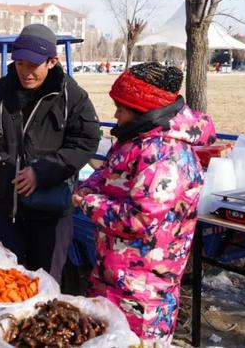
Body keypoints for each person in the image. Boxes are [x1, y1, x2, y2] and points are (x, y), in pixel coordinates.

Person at [72, 62, 216, 343]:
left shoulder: (166, 157)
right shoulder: (138, 141)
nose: (115, 114)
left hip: (143, 294)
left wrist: (87, 201)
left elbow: (139, 220)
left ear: (143, 110)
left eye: (120, 108)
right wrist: (88, 186)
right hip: (115, 276)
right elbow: (109, 174)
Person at [0, 24, 100, 273]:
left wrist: (41, 173)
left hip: (49, 212)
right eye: (20, 63)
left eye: (33, 65)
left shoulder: (72, 97)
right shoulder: (2, 89)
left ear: (52, 61)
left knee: (47, 284)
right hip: (4, 209)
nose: (25, 72)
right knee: (6, 280)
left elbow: (85, 141)